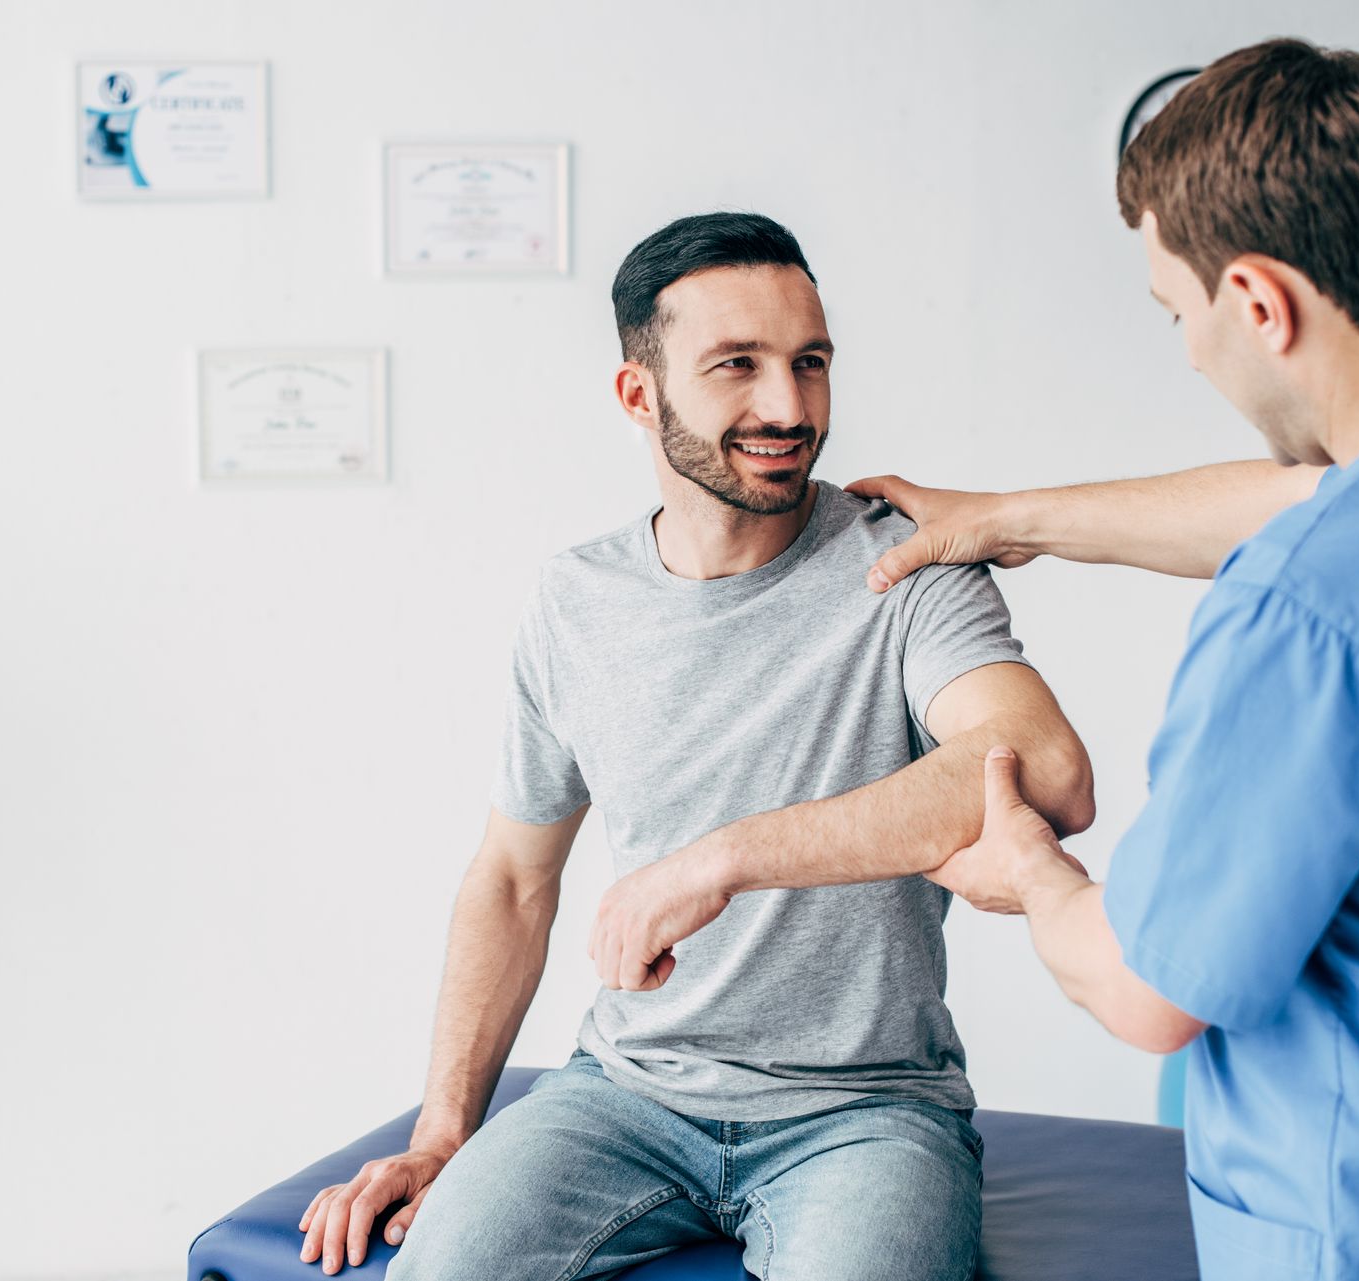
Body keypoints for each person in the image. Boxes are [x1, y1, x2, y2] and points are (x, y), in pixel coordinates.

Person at [832, 37, 1359, 1280]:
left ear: (1256, 302)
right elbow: (1315, 502)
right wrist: (1010, 517)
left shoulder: (1318, 600)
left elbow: (1147, 988)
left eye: (1178, 314)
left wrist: (1028, 867)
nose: (1188, 351)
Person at [296, 212, 1094, 1279]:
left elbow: (1042, 767)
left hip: (865, 1111)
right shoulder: (576, 600)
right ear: (640, 394)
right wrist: (443, 1134)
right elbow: (512, 879)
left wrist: (722, 858)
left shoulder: (908, 568)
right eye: (738, 367)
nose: (789, 406)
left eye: (811, 364)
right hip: (623, 1094)